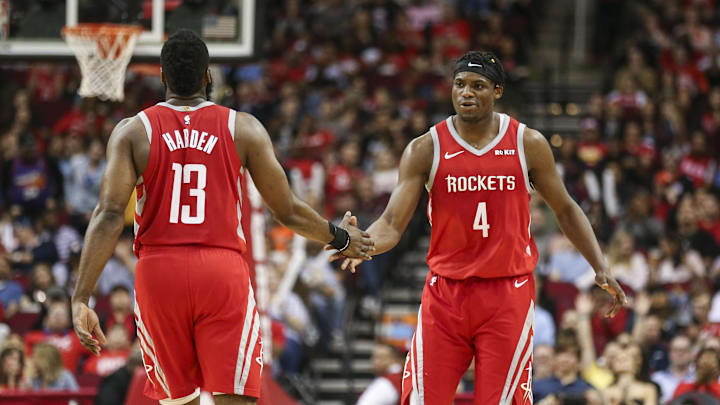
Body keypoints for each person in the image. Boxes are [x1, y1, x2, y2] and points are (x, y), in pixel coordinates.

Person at [70, 29, 373, 405]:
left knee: (179, 401)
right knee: (236, 397)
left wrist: (81, 296)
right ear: (207, 76)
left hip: (158, 272)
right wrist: (340, 237)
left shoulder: (133, 131)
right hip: (220, 270)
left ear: (162, 77)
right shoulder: (242, 127)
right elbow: (287, 210)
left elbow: (109, 214)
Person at [334, 51, 627, 404]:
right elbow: (392, 224)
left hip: (507, 292)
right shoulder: (425, 148)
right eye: (460, 84)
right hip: (445, 294)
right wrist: (361, 241)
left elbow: (566, 208)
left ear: (497, 91)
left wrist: (601, 266)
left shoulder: (527, 143)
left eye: (478, 86)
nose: (466, 93)